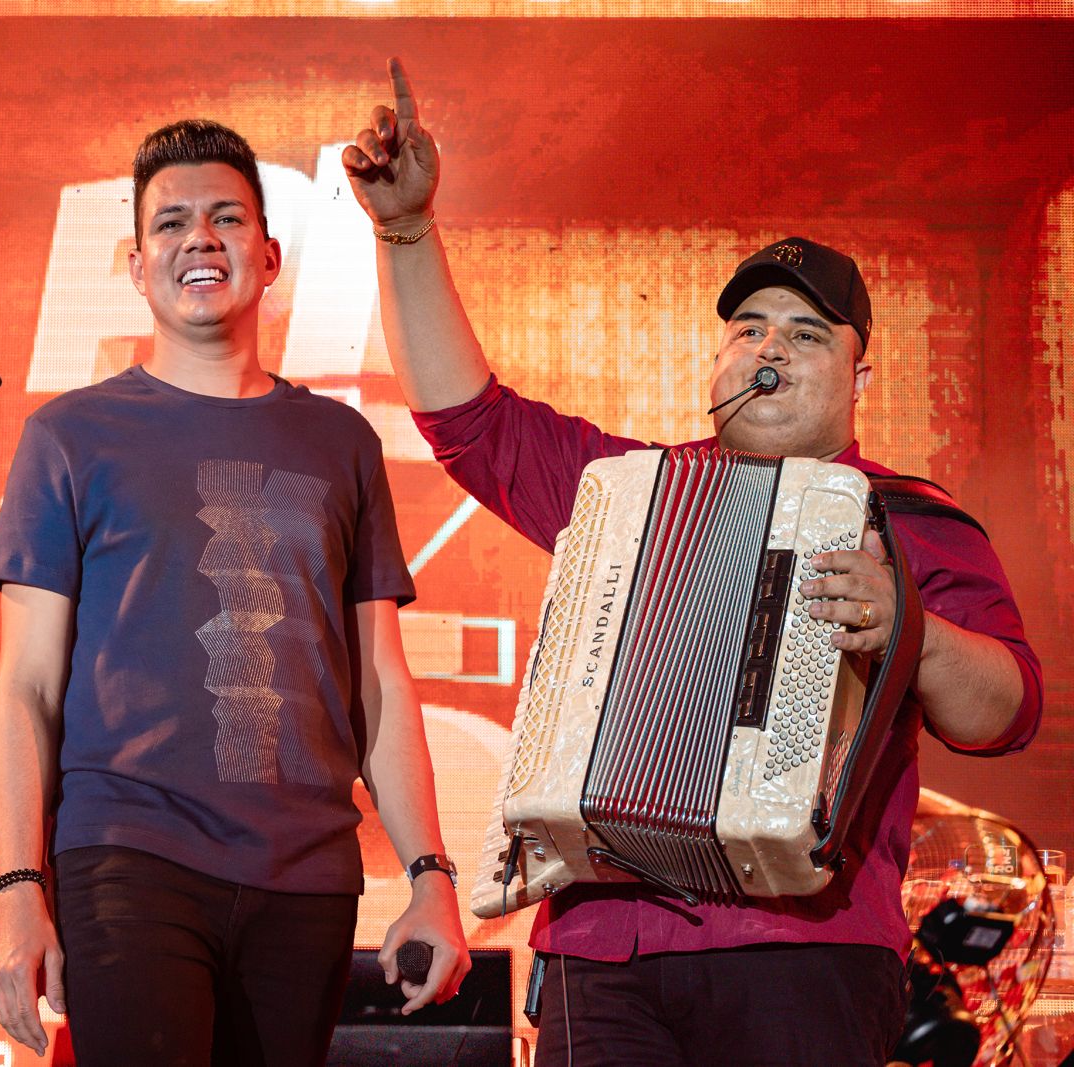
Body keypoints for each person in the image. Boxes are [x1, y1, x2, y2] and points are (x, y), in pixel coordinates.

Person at [342, 60, 1042, 1067]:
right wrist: (403, 232)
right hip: (605, 943)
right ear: (716, 359)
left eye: (807, 333)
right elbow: (470, 425)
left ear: (859, 374)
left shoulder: (913, 521)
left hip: (806, 949)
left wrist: (914, 632)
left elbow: (1005, 713)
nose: (770, 346)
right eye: (748, 327)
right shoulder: (622, 491)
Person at [0, 119, 471, 1065]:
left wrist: (430, 874)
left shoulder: (341, 443)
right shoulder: (71, 436)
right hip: (128, 854)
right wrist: (16, 889)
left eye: (226, 218)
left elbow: (380, 680)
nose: (198, 240)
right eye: (169, 224)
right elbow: (27, 689)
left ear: (270, 254)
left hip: (308, 873)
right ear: (133, 264)